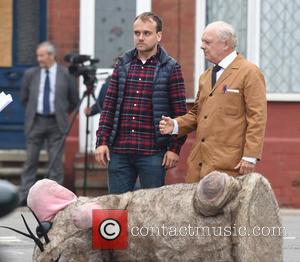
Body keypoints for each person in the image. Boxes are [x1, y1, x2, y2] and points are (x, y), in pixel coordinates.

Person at [159, 21, 267, 183]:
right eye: (202, 41)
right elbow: (198, 114)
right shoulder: (206, 76)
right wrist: (175, 125)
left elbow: (257, 118)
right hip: (199, 164)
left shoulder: (249, 72)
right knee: (197, 209)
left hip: (230, 164)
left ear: (226, 44)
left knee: (226, 209)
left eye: (207, 42)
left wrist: (250, 156)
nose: (202, 46)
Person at [95, 12, 187, 194]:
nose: (140, 37)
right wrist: (102, 142)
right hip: (120, 151)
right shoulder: (122, 64)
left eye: (146, 33)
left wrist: (174, 148)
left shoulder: (171, 67)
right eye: (137, 33)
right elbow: (109, 107)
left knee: (153, 211)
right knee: (116, 210)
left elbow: (180, 113)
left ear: (159, 36)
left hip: (153, 153)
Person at [19, 41, 79, 206]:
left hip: (56, 123)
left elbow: (74, 100)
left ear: (52, 56)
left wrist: (60, 112)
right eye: (37, 56)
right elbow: (24, 98)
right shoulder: (31, 74)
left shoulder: (66, 74)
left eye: (42, 55)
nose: (39, 59)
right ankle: (24, 197)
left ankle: (54, 200)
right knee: (30, 161)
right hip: (36, 121)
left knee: (56, 163)